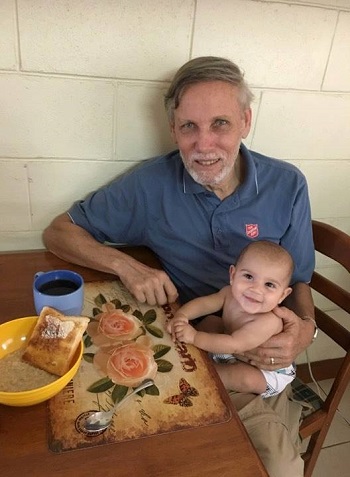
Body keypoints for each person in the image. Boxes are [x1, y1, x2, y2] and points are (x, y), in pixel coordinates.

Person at [43, 56, 317, 476]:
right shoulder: (150, 184)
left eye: (220, 124)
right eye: (189, 126)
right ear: (172, 129)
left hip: (255, 366)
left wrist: (304, 329)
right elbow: (59, 232)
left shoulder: (288, 184)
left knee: (277, 469)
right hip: (183, 345)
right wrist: (126, 266)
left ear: (245, 121)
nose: (204, 145)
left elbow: (299, 279)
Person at [168, 240, 296, 399]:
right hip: (232, 346)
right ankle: (190, 350)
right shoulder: (229, 293)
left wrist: (194, 337)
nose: (255, 289)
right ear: (233, 275)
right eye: (248, 276)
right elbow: (205, 303)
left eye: (269, 285)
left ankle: (204, 372)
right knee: (210, 321)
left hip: (264, 370)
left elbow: (234, 344)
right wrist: (182, 316)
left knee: (243, 378)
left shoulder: (268, 321)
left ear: (282, 295)